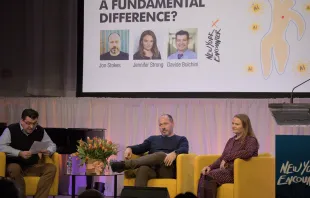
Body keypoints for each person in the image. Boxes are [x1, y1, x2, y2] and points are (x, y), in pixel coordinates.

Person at [110, 114, 189, 187]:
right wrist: (129, 148)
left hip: (167, 170)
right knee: (143, 169)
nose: (163, 127)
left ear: (172, 123)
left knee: (161, 155)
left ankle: (125, 165)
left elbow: (184, 149)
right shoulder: (153, 139)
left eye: (165, 123)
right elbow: (140, 147)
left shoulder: (181, 139)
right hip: (152, 170)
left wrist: (175, 153)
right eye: (160, 124)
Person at [197, 114, 259, 198]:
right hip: (227, 171)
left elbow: (247, 152)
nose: (233, 126)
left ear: (245, 126)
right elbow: (222, 157)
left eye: (237, 124)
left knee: (210, 176)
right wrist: (210, 167)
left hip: (238, 173)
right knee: (205, 174)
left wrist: (227, 158)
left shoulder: (251, 140)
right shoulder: (231, 140)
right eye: (233, 123)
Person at [0, 108, 57, 198]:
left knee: (51, 168)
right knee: (14, 168)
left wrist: (48, 151)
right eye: (28, 123)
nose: (31, 127)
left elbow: (52, 145)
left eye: (34, 123)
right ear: (22, 121)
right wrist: (19, 153)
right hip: (15, 165)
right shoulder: (11, 129)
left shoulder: (40, 130)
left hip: (32, 166)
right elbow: (1, 146)